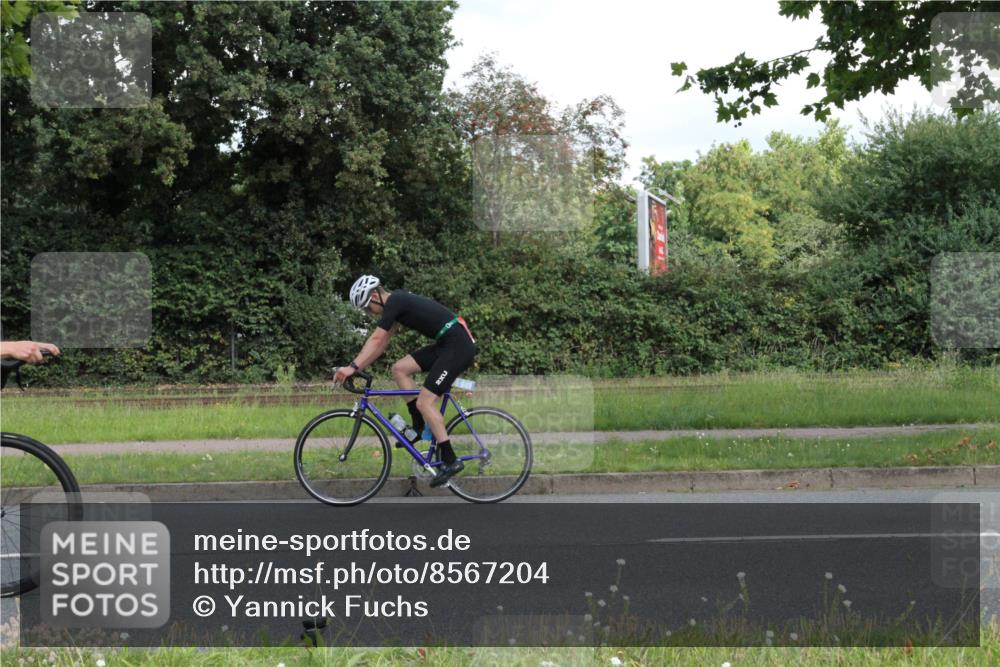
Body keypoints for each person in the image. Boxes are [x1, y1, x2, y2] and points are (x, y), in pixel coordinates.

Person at [334, 275, 477, 488]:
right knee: (400, 369)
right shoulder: (396, 305)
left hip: (457, 346)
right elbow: (380, 345)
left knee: (425, 402)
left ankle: (450, 460)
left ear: (375, 296)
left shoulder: (395, 301)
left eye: (367, 308)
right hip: (447, 343)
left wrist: (352, 367)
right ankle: (418, 428)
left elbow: (375, 339)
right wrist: (358, 367)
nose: (368, 313)